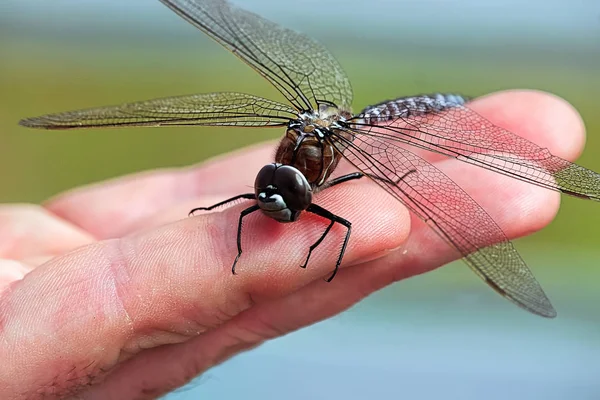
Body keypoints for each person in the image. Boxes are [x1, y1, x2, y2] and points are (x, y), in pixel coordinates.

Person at [0, 90, 586, 398]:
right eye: (270, 192)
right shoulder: (282, 165)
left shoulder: (349, 161)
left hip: (400, 124)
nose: (271, 203)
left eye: (282, 196)